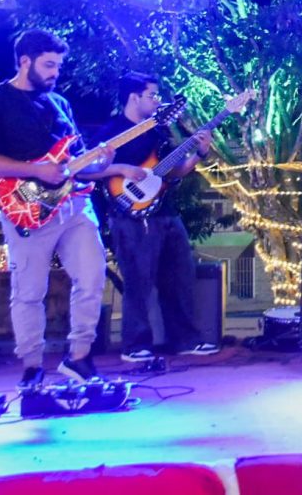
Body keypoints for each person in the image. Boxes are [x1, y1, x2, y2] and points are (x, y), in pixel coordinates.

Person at [0, 29, 141, 387]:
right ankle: (32, 366)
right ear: (24, 61)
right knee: (29, 292)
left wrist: (106, 162)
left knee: (92, 278)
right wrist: (34, 170)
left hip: (74, 205)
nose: (55, 72)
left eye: (58, 66)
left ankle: (80, 357)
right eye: (48, 65)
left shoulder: (59, 104)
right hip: (26, 209)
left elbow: (77, 166)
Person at [94, 72, 220, 362]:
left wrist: (199, 154)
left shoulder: (158, 133)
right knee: (138, 281)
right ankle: (134, 345)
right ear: (133, 97)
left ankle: (185, 339)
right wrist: (121, 169)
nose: (157, 100)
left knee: (180, 276)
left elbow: (172, 172)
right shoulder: (112, 132)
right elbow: (87, 170)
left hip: (165, 211)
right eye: (152, 95)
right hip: (128, 215)